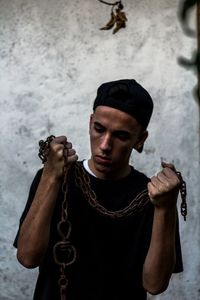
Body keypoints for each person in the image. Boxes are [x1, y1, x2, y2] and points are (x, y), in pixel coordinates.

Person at [14, 79, 183, 300]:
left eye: (121, 136)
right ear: (90, 122)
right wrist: (51, 177)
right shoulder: (54, 178)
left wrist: (166, 209)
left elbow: (155, 284)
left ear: (140, 139)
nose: (104, 145)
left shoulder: (153, 196)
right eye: (99, 129)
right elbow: (27, 257)